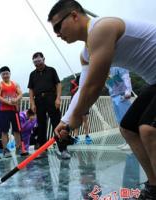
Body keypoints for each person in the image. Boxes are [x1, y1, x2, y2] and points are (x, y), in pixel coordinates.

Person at [48, 0, 156, 198]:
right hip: (154, 81)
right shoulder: (86, 54)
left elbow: (95, 85)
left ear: (73, 15)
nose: (57, 33)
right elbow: (82, 89)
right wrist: (65, 120)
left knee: (148, 129)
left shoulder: (101, 28)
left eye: (58, 26)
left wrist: (78, 116)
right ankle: (154, 185)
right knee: (128, 128)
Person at [28, 52, 71, 159]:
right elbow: (31, 90)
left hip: (51, 98)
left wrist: (58, 98)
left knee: (57, 123)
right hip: (38, 100)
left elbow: (58, 84)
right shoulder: (32, 74)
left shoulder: (51, 70)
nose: (37, 63)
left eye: (39, 61)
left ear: (43, 59)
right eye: (35, 62)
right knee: (41, 126)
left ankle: (63, 149)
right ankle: (42, 150)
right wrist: (32, 103)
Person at [0, 66, 23, 157]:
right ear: (1, 75)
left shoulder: (15, 84)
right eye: (3, 74)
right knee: (4, 131)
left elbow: (20, 94)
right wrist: (9, 102)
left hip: (14, 111)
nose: (5, 75)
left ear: (9, 74)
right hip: (4, 111)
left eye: (7, 73)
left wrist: (16, 99)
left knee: (17, 130)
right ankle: (6, 149)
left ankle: (19, 147)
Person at [106, 67, 133, 150]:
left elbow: (126, 77)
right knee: (120, 121)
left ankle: (131, 142)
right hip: (114, 96)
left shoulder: (118, 66)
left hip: (122, 95)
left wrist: (128, 91)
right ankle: (127, 141)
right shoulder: (105, 68)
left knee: (126, 120)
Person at [70, 75, 91, 144]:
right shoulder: (73, 83)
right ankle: (76, 137)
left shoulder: (86, 84)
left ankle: (87, 136)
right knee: (77, 120)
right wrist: (76, 88)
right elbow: (72, 92)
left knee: (85, 120)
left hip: (84, 103)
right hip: (77, 104)